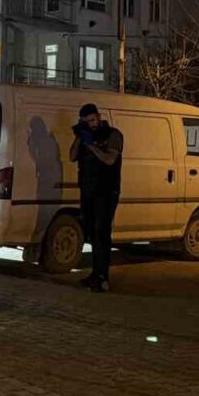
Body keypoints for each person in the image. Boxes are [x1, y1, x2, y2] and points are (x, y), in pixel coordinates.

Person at [69, 103, 123, 292]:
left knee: (102, 233)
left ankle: (102, 277)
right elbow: (72, 156)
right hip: (88, 190)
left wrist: (91, 145)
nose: (90, 124)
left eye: (92, 120)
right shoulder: (85, 136)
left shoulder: (112, 135)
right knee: (92, 233)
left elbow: (110, 159)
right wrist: (79, 137)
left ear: (98, 117)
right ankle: (95, 274)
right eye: (86, 122)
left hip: (106, 191)